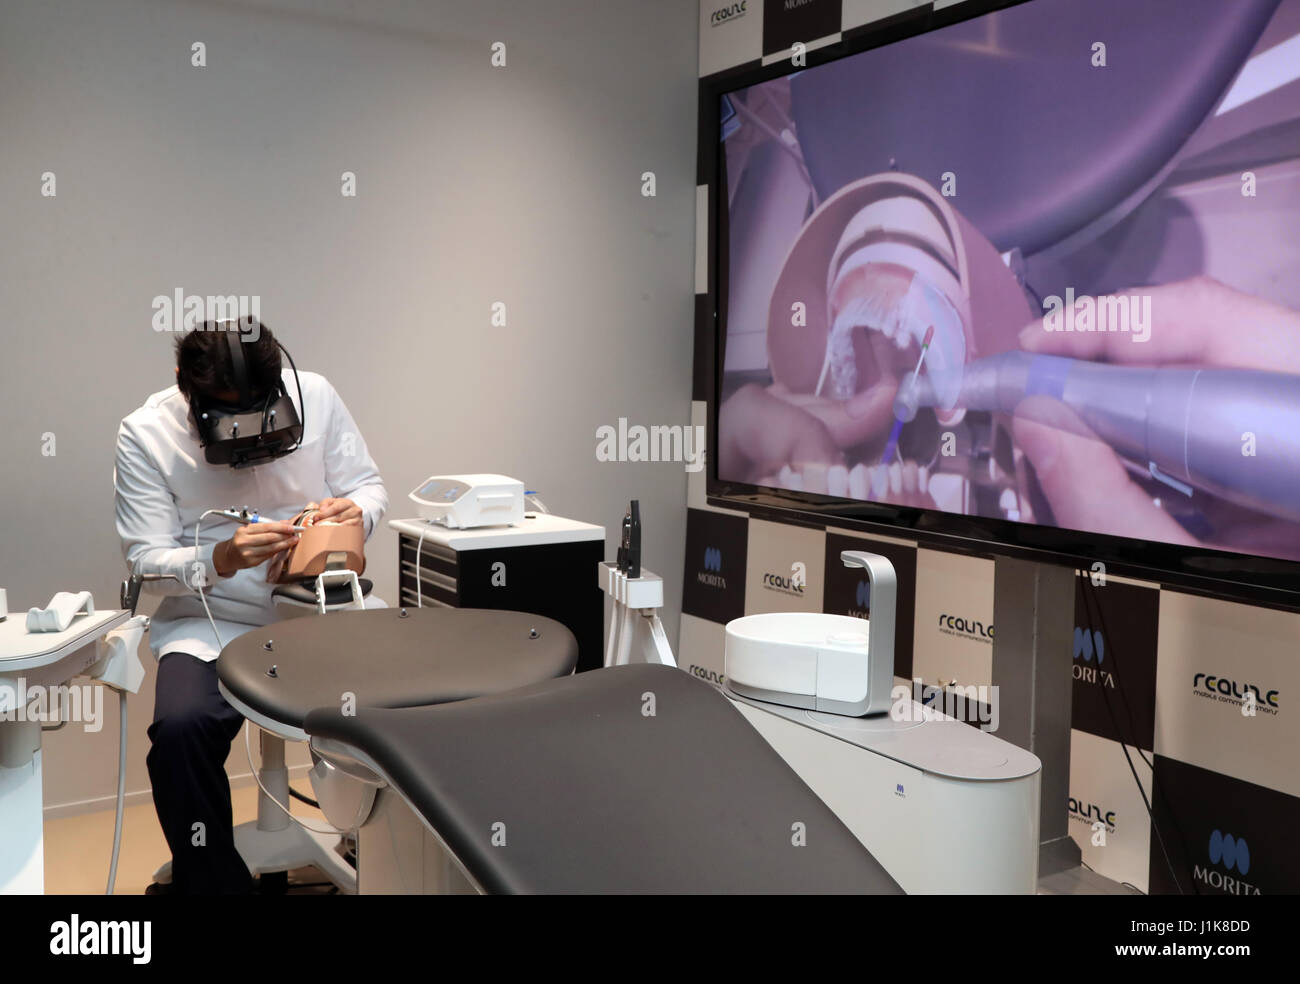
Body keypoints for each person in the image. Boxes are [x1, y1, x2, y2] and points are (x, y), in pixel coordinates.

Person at [113, 320, 388, 893]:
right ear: (185, 389)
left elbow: (369, 487)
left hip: (321, 607)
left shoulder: (315, 394)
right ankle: (213, 880)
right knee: (180, 733)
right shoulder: (145, 434)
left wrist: (354, 514)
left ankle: (383, 855)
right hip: (212, 621)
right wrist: (219, 558)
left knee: (391, 711)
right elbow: (144, 559)